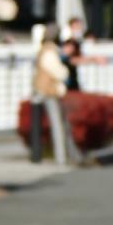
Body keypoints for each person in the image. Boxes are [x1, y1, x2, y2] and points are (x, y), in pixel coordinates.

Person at [30, 26, 71, 167]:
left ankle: (53, 155)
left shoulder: (43, 50)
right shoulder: (50, 52)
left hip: (40, 89)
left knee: (48, 124)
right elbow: (59, 72)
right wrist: (66, 71)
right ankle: (61, 158)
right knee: (57, 125)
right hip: (48, 91)